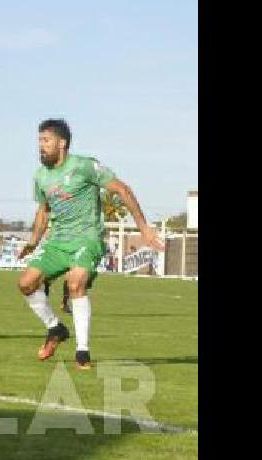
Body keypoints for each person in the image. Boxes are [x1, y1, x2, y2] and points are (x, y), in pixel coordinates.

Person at [17, 119, 164, 369]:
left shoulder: (85, 166)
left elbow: (122, 190)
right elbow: (43, 211)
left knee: (75, 283)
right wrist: (33, 242)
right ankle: (55, 328)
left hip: (87, 239)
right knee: (26, 284)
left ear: (61, 143)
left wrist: (143, 227)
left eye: (46, 141)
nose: (41, 146)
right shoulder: (40, 176)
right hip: (58, 242)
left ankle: (82, 352)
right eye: (39, 141)